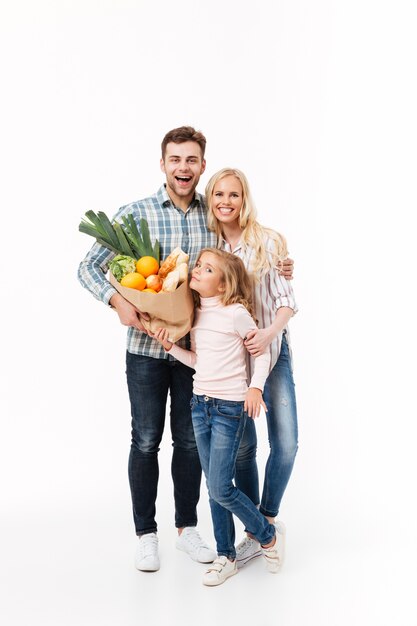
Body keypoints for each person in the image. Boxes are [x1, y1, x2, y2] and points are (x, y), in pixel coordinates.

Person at [77, 127, 219, 572]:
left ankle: (187, 529)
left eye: (192, 160)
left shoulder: (211, 217)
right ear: (162, 164)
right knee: (145, 440)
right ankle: (146, 534)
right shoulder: (134, 213)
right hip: (143, 350)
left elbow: (239, 257)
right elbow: (87, 268)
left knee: (191, 441)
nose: (183, 168)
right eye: (175, 159)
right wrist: (118, 301)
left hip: (196, 351)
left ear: (202, 165)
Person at [153, 248, 283, 586]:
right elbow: (198, 360)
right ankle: (226, 556)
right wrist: (171, 348)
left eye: (207, 269)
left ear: (223, 285)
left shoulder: (236, 313)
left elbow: (262, 351)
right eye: (198, 265)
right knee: (214, 489)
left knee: (221, 487)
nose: (196, 270)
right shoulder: (196, 315)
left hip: (229, 408)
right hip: (200, 405)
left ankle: (266, 534)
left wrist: (255, 388)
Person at [204, 168, 298, 568]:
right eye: (219, 194)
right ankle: (254, 533)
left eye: (234, 194)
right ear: (211, 200)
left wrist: (269, 331)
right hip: (230, 363)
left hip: (271, 350)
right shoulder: (208, 245)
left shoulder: (269, 241)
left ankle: (267, 517)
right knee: (244, 449)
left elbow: (287, 299)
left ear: (245, 199)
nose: (226, 201)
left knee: (287, 443)